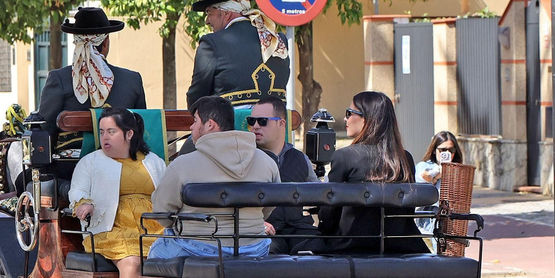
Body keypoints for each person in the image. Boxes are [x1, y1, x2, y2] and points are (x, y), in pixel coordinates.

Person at [148, 96, 280, 260]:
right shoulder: (268, 162)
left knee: (155, 251)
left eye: (195, 121)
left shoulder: (182, 165)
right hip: (254, 248)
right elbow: (269, 206)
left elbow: (162, 213)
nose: (191, 127)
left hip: (197, 247)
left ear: (210, 124)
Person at [37, 6, 147, 181]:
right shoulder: (133, 80)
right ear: (105, 43)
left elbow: (44, 131)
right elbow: (142, 129)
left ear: (77, 43)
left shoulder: (59, 79)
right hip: (123, 171)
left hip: (70, 174)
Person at [317, 91, 427, 255]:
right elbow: (407, 211)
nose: (345, 119)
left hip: (351, 245)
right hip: (401, 244)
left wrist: (323, 232)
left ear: (366, 119)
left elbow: (330, 212)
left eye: (349, 113)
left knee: (297, 246)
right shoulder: (405, 158)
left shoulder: (344, 156)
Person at [68, 108, 168, 278]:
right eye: (102, 132)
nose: (104, 137)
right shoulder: (90, 161)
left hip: (153, 226)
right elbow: (77, 190)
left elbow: (169, 193)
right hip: (111, 227)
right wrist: (84, 203)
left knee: (167, 259)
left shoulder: (153, 161)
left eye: (111, 132)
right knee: (132, 262)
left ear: (129, 134)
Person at [187, 0, 291, 108]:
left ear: (225, 13)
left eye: (209, 12)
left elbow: (197, 98)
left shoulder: (211, 43)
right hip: (276, 125)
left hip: (230, 126)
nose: (207, 20)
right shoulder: (278, 40)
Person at [248, 96, 319, 253]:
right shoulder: (245, 158)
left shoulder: (300, 158)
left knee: (321, 248)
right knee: (267, 251)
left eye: (262, 121)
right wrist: (256, 224)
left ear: (281, 124)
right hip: (264, 232)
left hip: (299, 229)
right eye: (251, 121)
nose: (255, 126)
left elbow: (318, 193)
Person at [414, 130, 463, 237]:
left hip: (450, 217)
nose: (447, 153)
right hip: (428, 216)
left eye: (451, 150)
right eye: (443, 150)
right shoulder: (425, 165)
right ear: (434, 150)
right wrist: (437, 173)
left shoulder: (457, 171)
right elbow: (422, 178)